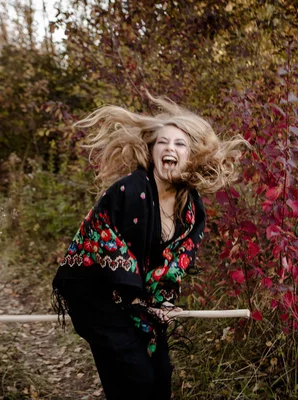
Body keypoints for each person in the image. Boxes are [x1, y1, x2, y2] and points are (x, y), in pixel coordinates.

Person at [52, 93, 248, 400]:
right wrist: (142, 303)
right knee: (136, 379)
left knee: (160, 380)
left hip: (137, 302)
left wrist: (164, 303)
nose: (170, 148)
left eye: (180, 144)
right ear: (152, 150)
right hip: (96, 296)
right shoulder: (131, 190)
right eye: (162, 142)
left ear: (192, 155)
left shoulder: (192, 209)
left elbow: (174, 264)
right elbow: (109, 246)